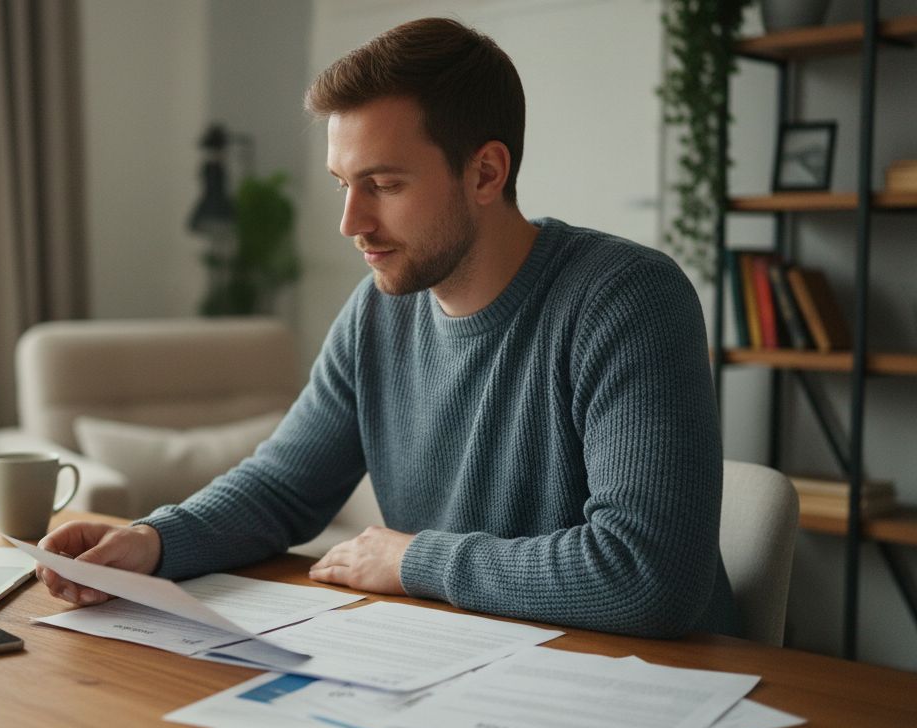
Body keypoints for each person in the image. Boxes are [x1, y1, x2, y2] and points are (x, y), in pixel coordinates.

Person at [37, 17, 739, 638]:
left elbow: (649, 577)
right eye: (345, 184)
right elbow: (284, 487)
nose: (352, 224)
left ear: (486, 172)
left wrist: (414, 558)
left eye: (385, 185)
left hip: (654, 698)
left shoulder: (626, 300)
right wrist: (153, 540)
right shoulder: (379, 310)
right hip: (471, 667)